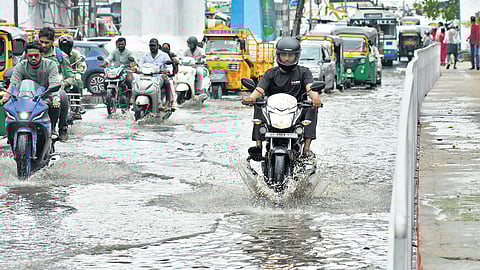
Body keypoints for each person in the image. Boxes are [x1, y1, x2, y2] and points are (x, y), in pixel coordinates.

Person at [242, 37, 322, 161]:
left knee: (312, 108)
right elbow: (260, 89)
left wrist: (315, 98)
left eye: (290, 55)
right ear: (278, 55)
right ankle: (258, 145)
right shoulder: (270, 73)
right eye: (284, 55)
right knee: (258, 104)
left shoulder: (304, 72)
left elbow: (310, 88)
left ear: (296, 56)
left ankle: (306, 148)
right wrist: (251, 97)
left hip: (297, 112)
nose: (287, 58)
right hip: (273, 112)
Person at [0, 41, 62, 139]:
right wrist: (6, 96)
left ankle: (53, 129)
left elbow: (54, 83)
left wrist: (55, 98)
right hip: (24, 98)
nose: (33, 58)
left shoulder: (51, 64)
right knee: (7, 106)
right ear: (26, 55)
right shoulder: (21, 66)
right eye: (30, 56)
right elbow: (14, 83)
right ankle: (9, 132)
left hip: (44, 97)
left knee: (55, 105)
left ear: (41, 54)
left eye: (36, 55)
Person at [38, 27, 72, 142]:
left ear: (53, 42)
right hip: (33, 90)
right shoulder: (32, 53)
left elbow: (69, 77)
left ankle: (62, 127)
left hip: (53, 90)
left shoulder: (61, 56)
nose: (43, 45)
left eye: (46, 42)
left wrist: (62, 84)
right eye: (41, 41)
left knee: (61, 97)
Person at [139, 38, 174, 108]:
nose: (152, 47)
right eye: (151, 46)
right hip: (146, 78)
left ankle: (161, 103)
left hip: (159, 77)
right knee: (136, 83)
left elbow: (169, 66)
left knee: (162, 84)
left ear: (158, 46)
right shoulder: (145, 56)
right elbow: (140, 65)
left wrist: (167, 71)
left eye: (154, 45)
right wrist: (136, 69)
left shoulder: (164, 55)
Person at [58, 34, 87, 119]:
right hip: (59, 75)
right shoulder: (57, 54)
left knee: (77, 83)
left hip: (72, 75)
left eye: (67, 46)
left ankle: (78, 107)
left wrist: (80, 69)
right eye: (63, 46)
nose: (65, 48)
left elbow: (81, 63)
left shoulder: (75, 54)